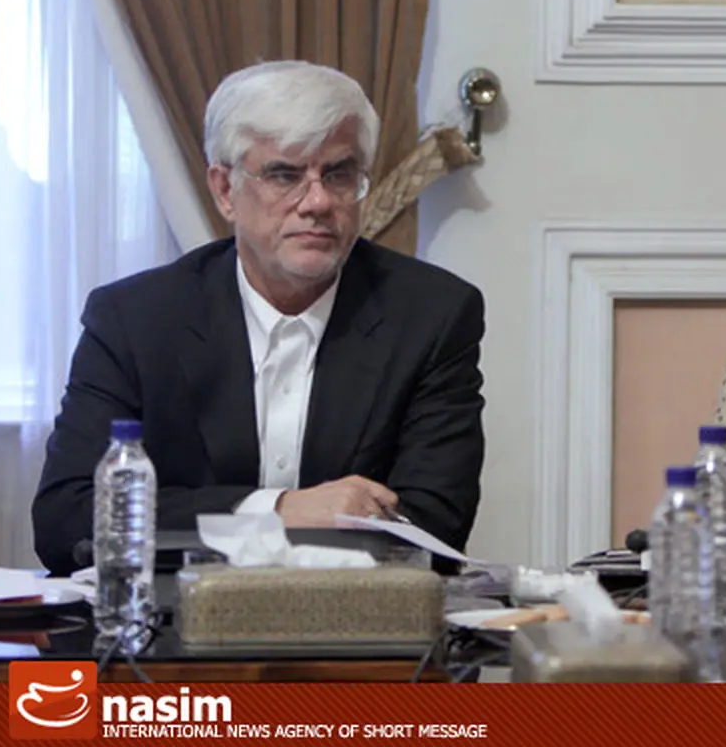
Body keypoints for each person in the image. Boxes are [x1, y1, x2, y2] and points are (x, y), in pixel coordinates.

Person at [33, 61, 485, 576]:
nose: (317, 202)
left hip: (355, 618)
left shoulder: (431, 316)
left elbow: (434, 527)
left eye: (338, 175)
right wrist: (278, 511)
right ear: (225, 190)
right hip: (175, 617)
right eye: (284, 175)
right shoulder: (134, 320)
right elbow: (67, 520)